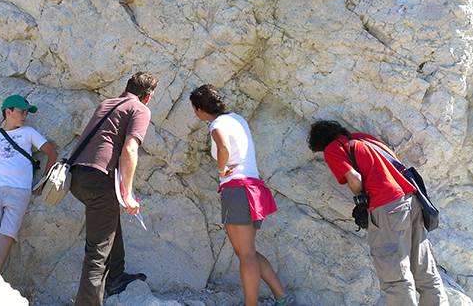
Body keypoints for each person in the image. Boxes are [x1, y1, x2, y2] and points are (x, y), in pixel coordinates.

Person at [307, 120, 449, 306]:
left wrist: (360, 200)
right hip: (411, 200)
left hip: (388, 207)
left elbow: (355, 178)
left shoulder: (333, 148)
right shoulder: (365, 139)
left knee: (395, 275)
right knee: (425, 272)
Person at [190, 84, 294, 306]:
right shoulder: (238, 119)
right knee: (249, 251)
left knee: (245, 254)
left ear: (199, 109)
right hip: (254, 189)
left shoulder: (215, 125)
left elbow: (223, 147)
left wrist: (221, 169)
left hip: (237, 191)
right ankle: (282, 297)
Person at [69, 72, 157, 306]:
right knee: (97, 252)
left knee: (108, 222)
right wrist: (127, 194)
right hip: (99, 181)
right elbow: (130, 150)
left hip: (78, 177)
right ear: (147, 96)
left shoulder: (107, 103)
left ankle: (116, 277)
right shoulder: (140, 108)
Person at [0, 94, 57, 273]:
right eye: (21, 112)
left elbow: (51, 153)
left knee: (7, 235)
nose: (24, 116)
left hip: (21, 190)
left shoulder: (29, 132)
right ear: (8, 111)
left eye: (27, 113)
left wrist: (45, 181)